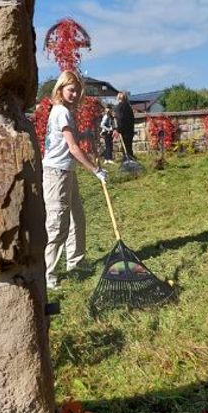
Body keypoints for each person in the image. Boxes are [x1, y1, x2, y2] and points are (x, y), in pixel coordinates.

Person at [42, 71, 107, 290]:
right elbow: (73, 148)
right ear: (60, 90)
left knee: (77, 218)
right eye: (71, 89)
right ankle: (48, 275)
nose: (75, 94)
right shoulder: (61, 111)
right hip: (56, 174)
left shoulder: (65, 112)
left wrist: (88, 135)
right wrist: (95, 170)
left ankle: (76, 262)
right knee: (58, 225)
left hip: (67, 172)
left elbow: (71, 140)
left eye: (77, 90)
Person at [114, 91, 135, 162]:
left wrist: (118, 129)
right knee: (129, 145)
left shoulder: (118, 107)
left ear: (119, 98)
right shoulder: (129, 107)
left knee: (125, 146)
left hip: (124, 129)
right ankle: (130, 158)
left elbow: (120, 118)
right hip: (130, 129)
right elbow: (132, 119)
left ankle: (127, 159)